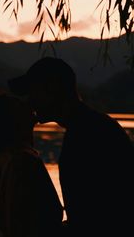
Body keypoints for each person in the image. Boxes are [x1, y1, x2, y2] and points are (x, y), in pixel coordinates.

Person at [8, 57, 134, 236]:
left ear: (52, 88)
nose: (29, 101)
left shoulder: (87, 134)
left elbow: (95, 219)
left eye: (33, 92)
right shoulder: (90, 127)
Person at [0, 94, 63, 237]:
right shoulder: (23, 161)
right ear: (15, 121)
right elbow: (25, 225)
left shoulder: (4, 158)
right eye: (21, 106)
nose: (29, 105)